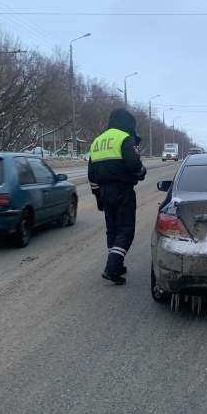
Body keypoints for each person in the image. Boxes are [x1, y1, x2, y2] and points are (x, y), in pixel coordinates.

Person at [88, 108, 147, 285]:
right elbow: (133, 164)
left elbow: (91, 174)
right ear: (128, 123)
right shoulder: (125, 138)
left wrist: (98, 196)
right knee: (126, 230)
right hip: (123, 190)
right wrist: (142, 172)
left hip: (105, 192)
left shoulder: (97, 142)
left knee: (112, 230)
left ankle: (117, 264)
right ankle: (112, 269)